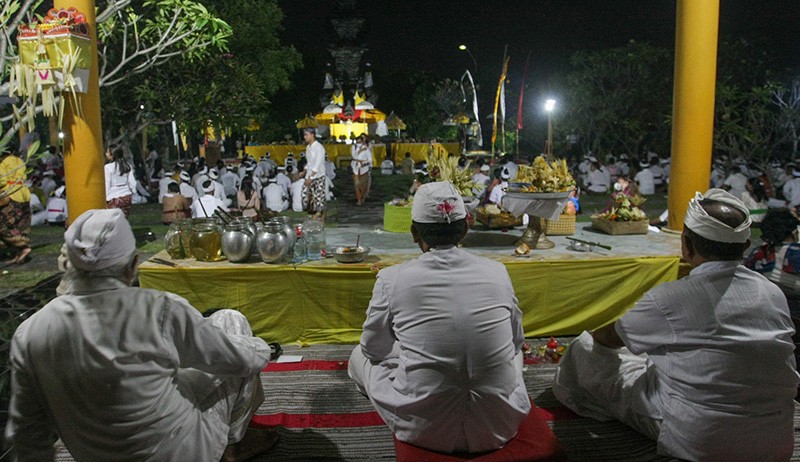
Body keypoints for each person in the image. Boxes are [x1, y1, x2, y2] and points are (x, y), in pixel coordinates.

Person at [5, 209, 276, 461]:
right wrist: (264, 349)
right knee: (232, 323)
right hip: (179, 452)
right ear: (132, 265)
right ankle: (231, 446)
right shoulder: (159, 310)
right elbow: (238, 358)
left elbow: (27, 430)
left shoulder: (28, 333)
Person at [553, 189, 800, 461]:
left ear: (687, 245)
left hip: (701, 441)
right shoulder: (772, 292)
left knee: (585, 347)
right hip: (776, 442)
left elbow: (609, 338)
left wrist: (597, 338)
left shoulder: (671, 298)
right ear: (745, 246)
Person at [348, 181, 530, 453]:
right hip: (498, 422)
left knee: (359, 356)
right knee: (512, 356)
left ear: (414, 233)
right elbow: (516, 342)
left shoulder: (391, 278)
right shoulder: (497, 272)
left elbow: (373, 349)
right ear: (465, 228)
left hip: (426, 427)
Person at [0, 148, 33, 264]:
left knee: (4, 225)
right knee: (19, 225)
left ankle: (23, 247)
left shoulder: (3, 162)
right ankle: (16, 253)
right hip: (23, 193)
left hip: (10, 194)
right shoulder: (19, 160)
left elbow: (2, 180)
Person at [302, 128, 327, 221]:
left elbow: (317, 164)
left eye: (306, 135)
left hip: (318, 176)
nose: (305, 137)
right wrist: (304, 171)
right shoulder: (308, 147)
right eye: (304, 135)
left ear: (312, 135)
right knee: (306, 196)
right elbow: (309, 162)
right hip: (309, 174)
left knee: (319, 198)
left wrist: (311, 177)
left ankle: (319, 216)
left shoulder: (319, 148)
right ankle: (315, 214)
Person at [104, 147, 137, 218]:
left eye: (107, 152)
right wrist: (133, 192)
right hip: (126, 196)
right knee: (123, 219)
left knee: (111, 219)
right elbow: (132, 182)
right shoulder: (127, 165)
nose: (106, 154)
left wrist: (105, 197)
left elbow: (107, 183)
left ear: (112, 154)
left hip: (113, 196)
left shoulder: (108, 167)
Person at [351, 134, 372, 205]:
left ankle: (363, 197)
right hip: (356, 168)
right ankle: (359, 199)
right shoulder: (354, 147)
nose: (358, 143)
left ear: (362, 142)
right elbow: (354, 156)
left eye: (360, 142)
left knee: (363, 184)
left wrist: (364, 164)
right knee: (356, 184)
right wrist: (360, 151)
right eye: (357, 142)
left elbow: (370, 159)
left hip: (364, 168)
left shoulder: (366, 149)